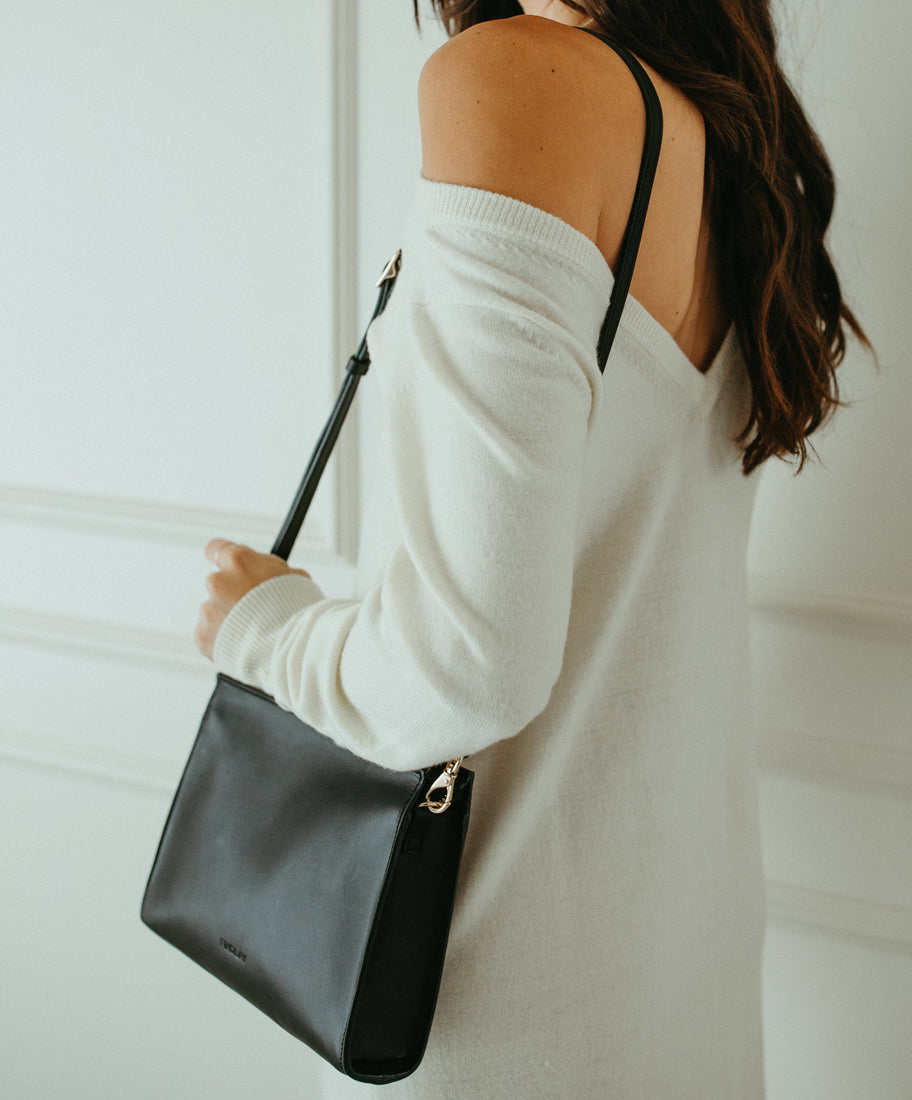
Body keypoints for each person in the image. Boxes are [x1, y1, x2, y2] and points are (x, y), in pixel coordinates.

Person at [194, 1, 873, 1095]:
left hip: (487, 1002)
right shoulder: (733, 146)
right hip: (680, 964)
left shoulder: (512, 80)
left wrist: (263, 627)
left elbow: (464, 662)